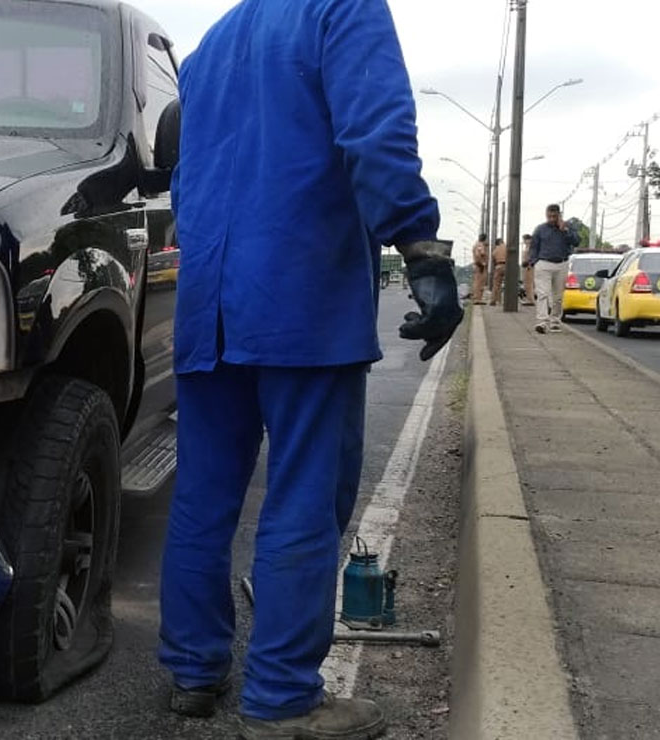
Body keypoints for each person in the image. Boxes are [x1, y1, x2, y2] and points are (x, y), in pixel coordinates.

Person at [159, 1, 464, 738]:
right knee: (304, 493)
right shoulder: (342, 8)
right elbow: (376, 130)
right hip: (301, 292)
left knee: (204, 494)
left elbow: (183, 174)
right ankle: (282, 699)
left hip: (210, 296)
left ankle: (193, 671)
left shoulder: (212, 44)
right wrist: (419, 247)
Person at [528, 204, 581, 333]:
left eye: (554, 216)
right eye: (549, 216)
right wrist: (534, 262)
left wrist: (565, 230)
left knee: (558, 296)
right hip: (544, 264)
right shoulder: (540, 229)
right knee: (543, 294)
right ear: (546, 215)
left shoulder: (568, 227)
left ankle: (555, 321)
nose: (551, 219)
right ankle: (542, 321)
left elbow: (576, 241)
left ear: (559, 215)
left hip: (561, 263)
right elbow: (533, 247)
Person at [489, 237, 508, 306]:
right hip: (507, 266)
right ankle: (507, 300)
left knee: (496, 284)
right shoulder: (506, 247)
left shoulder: (495, 250)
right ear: (501, 241)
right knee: (509, 284)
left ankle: (494, 300)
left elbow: (493, 260)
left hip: (498, 266)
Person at [471, 233, 489, 304]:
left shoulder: (476, 244)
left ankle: (477, 297)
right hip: (480, 265)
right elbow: (479, 254)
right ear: (484, 239)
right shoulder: (480, 245)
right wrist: (482, 263)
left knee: (477, 282)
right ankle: (478, 299)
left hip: (477, 265)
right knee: (480, 282)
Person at [521, 234, 536, 306]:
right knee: (526, 283)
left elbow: (531, 257)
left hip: (529, 266)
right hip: (526, 266)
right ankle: (528, 298)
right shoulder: (527, 247)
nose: (524, 241)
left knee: (529, 283)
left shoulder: (531, 247)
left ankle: (530, 299)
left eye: (524, 239)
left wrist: (528, 263)